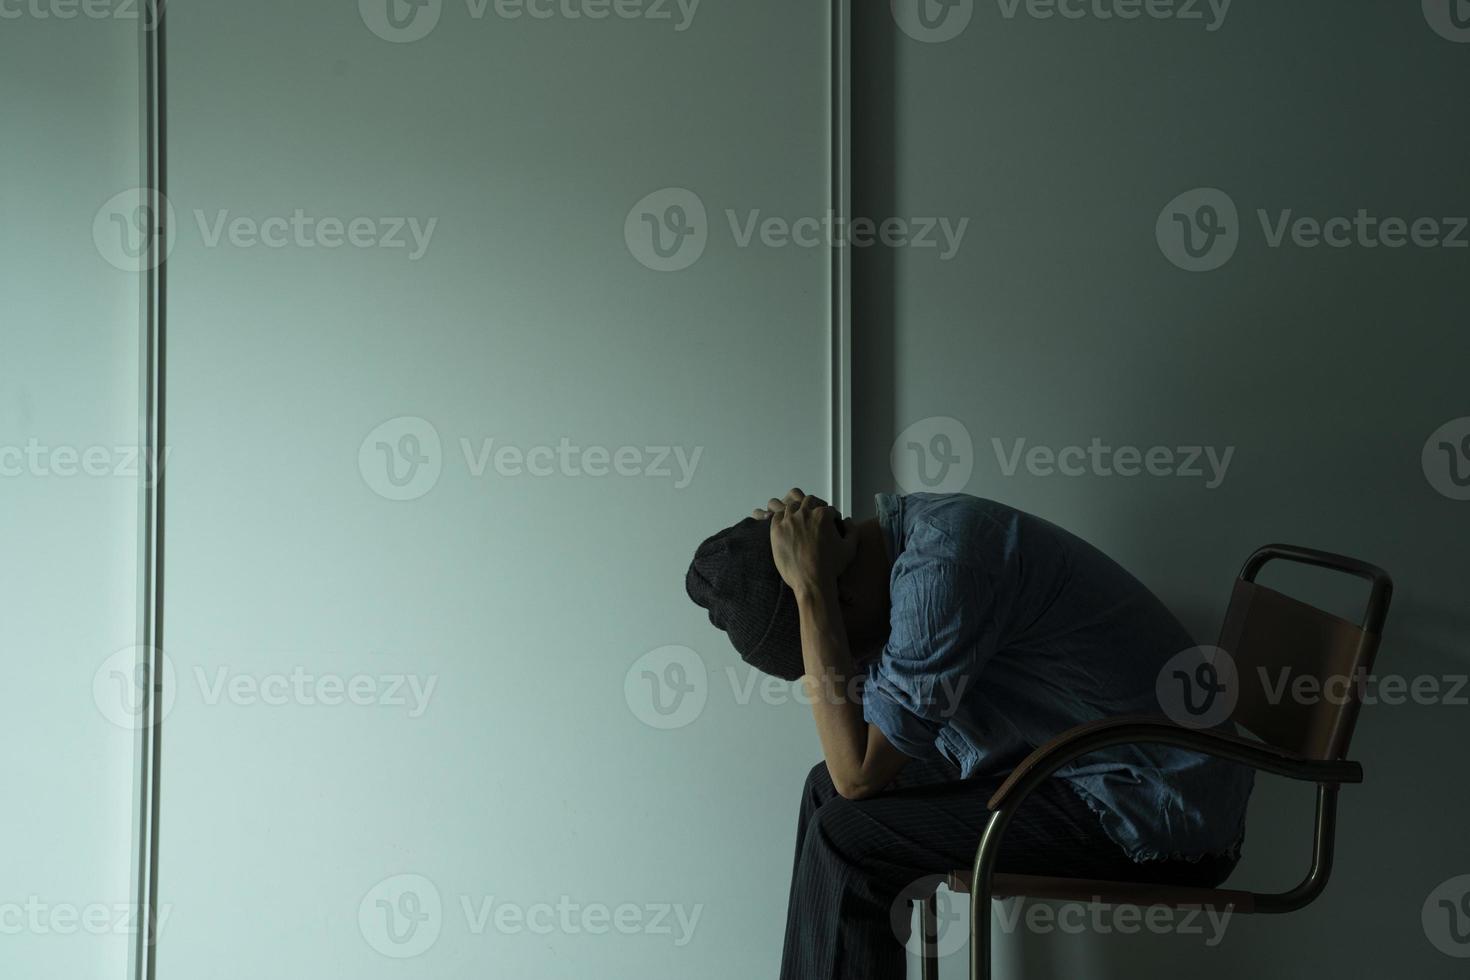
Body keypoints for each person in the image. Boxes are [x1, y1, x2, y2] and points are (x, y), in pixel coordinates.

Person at [684, 488, 1253, 980]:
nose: (856, 664)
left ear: (841, 598)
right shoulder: (906, 544)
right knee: (822, 791)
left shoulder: (942, 574)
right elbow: (844, 765)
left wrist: (809, 595)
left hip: (1155, 805)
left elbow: (858, 774)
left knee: (848, 836)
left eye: (845, 643)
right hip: (1080, 763)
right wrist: (807, 587)